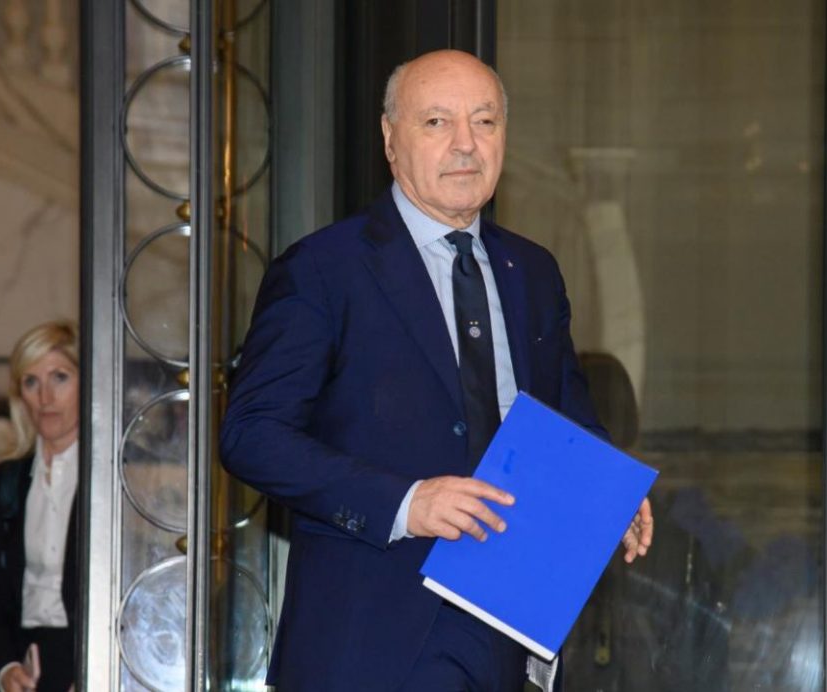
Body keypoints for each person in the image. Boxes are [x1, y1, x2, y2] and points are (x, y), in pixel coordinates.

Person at [220, 49, 653, 692]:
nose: (465, 144)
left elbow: (567, 420)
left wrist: (606, 493)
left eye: (485, 121)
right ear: (390, 140)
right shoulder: (322, 269)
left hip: (510, 631)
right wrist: (406, 503)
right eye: (436, 122)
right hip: (372, 642)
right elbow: (251, 435)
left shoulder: (534, 272)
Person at [0, 320, 80, 692]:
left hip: (92, 660)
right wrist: (4, 668)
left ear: (88, 382)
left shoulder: (113, 478)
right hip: (22, 667)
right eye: (31, 382)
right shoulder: (5, 481)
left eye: (60, 377)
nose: (45, 397)